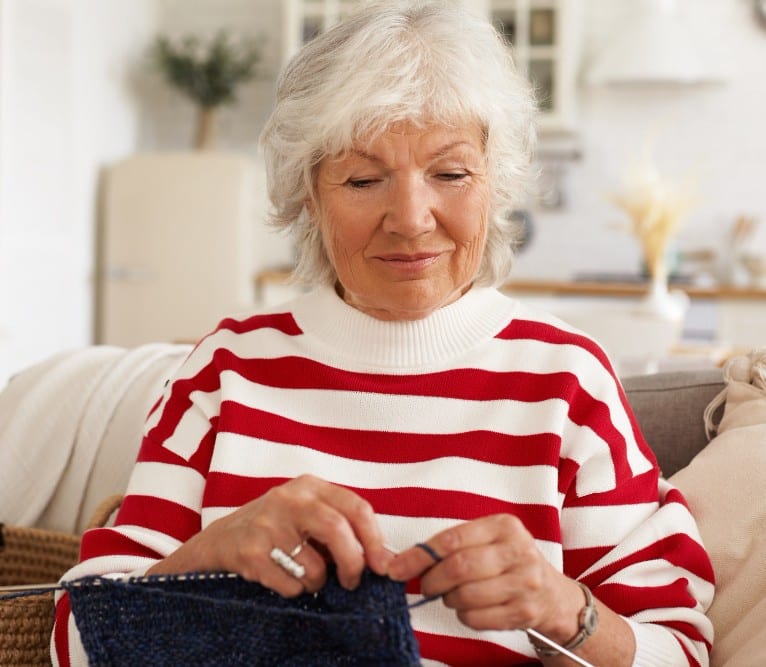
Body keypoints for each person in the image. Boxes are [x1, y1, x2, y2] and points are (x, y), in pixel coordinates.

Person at [53, 1, 714, 665]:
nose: (410, 218)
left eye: (450, 173)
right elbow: (69, 645)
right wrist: (208, 555)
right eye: (364, 178)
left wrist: (564, 609)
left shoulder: (569, 382)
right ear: (310, 194)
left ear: (495, 182)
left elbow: (683, 650)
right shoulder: (225, 370)